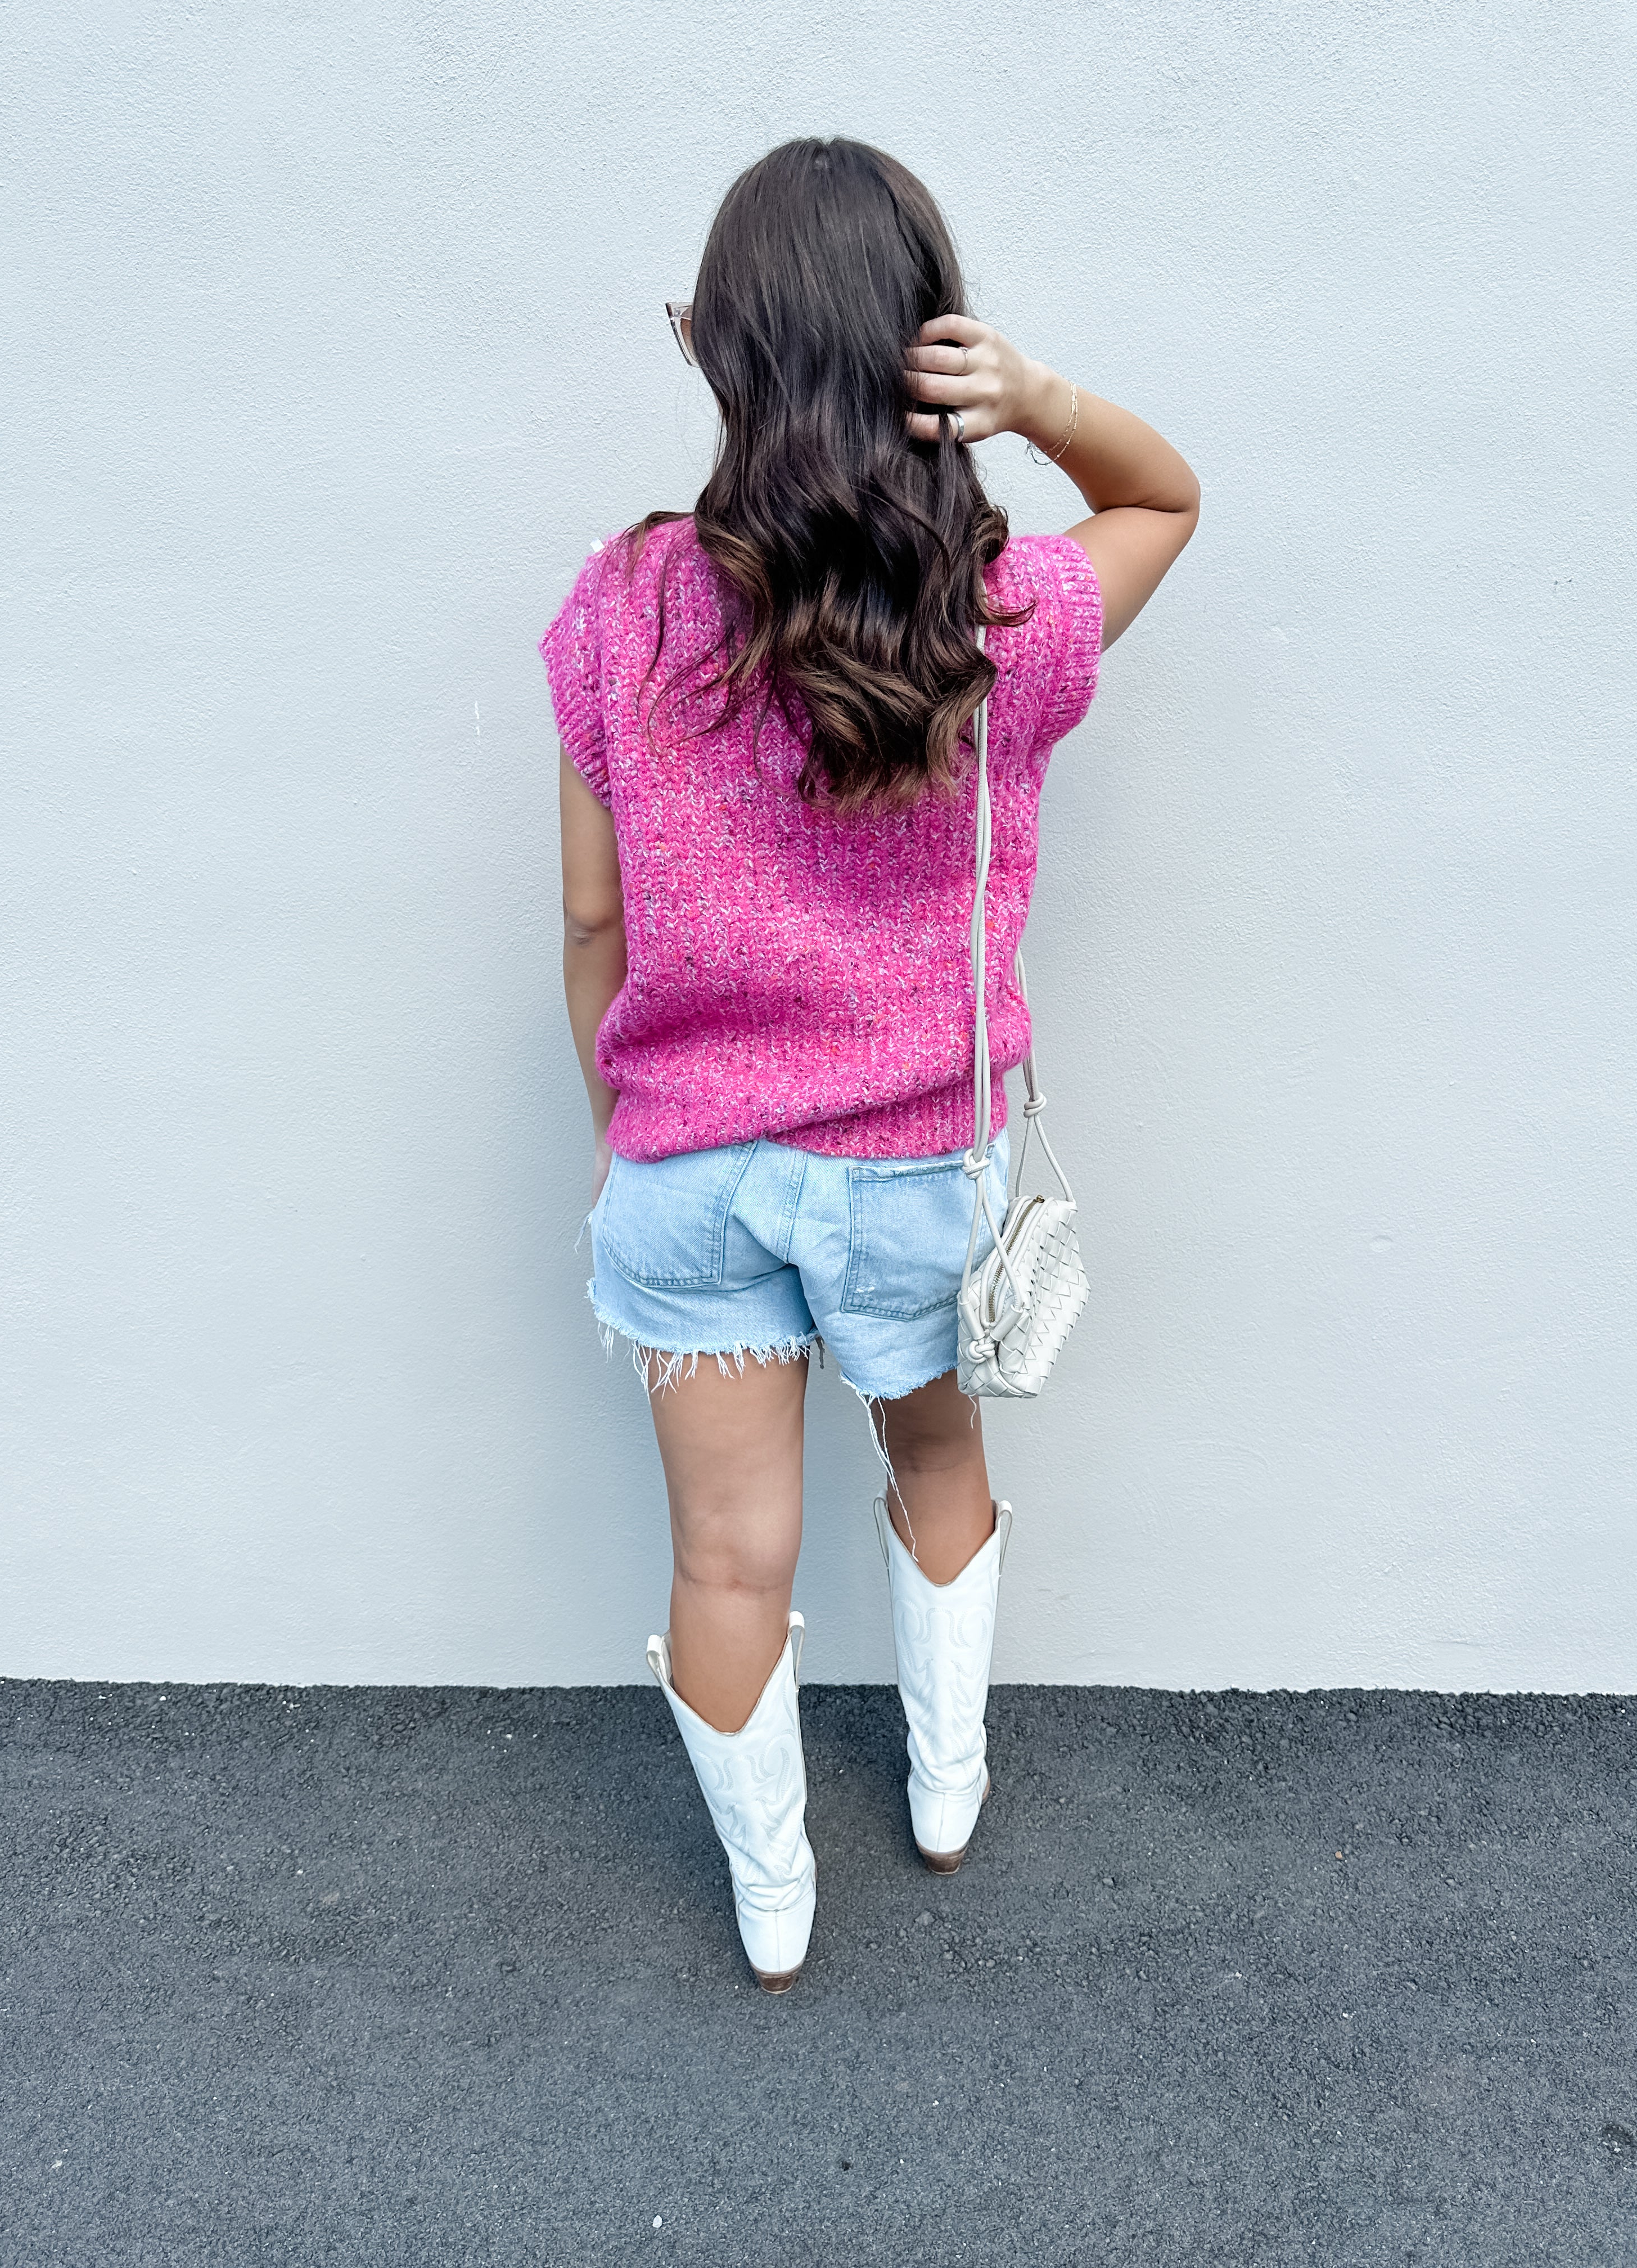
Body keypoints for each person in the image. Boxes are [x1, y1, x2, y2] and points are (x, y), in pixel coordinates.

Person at [540, 138, 1198, 1993]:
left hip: (690, 1164)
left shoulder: (622, 608)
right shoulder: (997, 617)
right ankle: (945, 1785)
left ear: (716, 348)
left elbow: (593, 929)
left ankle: (772, 1904)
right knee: (934, 1444)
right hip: (922, 1165)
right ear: (929, 351)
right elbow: (1168, 499)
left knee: (729, 1555)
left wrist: (633, 1127)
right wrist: (1042, 397)